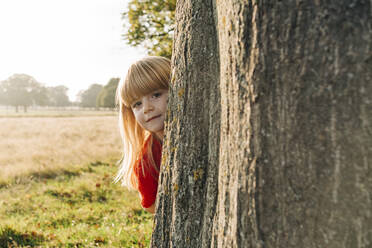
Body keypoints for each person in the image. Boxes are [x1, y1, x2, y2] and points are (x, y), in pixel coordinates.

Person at [115, 56, 170, 214]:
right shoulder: (147, 162)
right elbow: (150, 205)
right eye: (137, 104)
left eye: (156, 95)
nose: (146, 108)